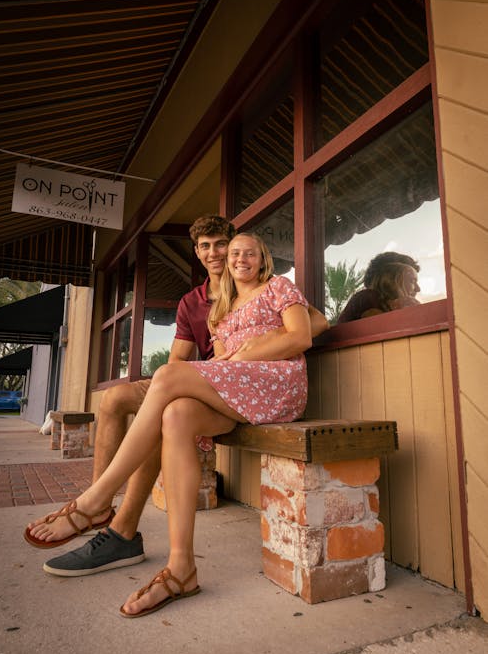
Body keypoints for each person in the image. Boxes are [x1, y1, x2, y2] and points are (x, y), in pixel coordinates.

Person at [24, 233, 315, 617]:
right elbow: (224, 358)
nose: (241, 258)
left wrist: (248, 352)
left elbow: (303, 335)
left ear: (263, 260)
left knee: (167, 376)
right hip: (238, 390)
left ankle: (97, 500)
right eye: (236, 253)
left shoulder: (278, 287)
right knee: (175, 413)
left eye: (251, 253)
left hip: (277, 385)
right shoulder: (222, 310)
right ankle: (182, 569)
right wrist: (230, 359)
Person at [337, 252, 420, 323]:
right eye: (411, 280)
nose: (418, 289)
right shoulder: (367, 298)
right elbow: (387, 330)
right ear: (388, 279)